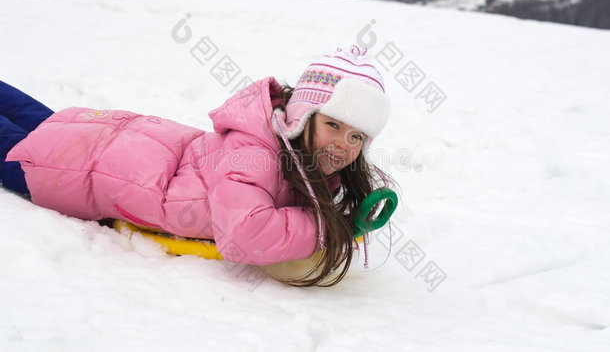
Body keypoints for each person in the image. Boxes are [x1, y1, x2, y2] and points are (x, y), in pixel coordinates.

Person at [1, 45, 395, 287]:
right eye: (333, 125)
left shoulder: (296, 155)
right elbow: (245, 232)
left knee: (33, 116)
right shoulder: (253, 153)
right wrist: (329, 228)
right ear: (302, 115)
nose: (344, 144)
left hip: (105, 137)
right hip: (67, 167)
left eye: (357, 137)